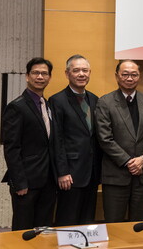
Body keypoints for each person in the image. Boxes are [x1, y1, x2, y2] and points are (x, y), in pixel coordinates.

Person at [96, 60, 143, 222]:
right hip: (116, 175)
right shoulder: (105, 102)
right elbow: (105, 138)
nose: (129, 78)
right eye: (125, 74)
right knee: (114, 224)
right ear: (117, 76)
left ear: (139, 76)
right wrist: (129, 162)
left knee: (140, 224)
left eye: (134, 74)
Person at [1, 57, 57, 231]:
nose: (40, 77)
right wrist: (20, 183)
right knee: (23, 231)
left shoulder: (47, 105)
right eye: (35, 73)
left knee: (44, 230)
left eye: (44, 73)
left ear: (49, 78)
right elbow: (11, 148)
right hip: (26, 183)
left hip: (48, 181)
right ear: (27, 76)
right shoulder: (16, 107)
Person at [49, 54, 101, 226]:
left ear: (90, 73)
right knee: (68, 220)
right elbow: (57, 139)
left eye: (85, 70)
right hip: (70, 173)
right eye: (76, 70)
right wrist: (62, 171)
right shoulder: (57, 101)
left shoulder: (94, 99)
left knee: (87, 219)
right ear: (67, 73)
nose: (81, 74)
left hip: (92, 172)